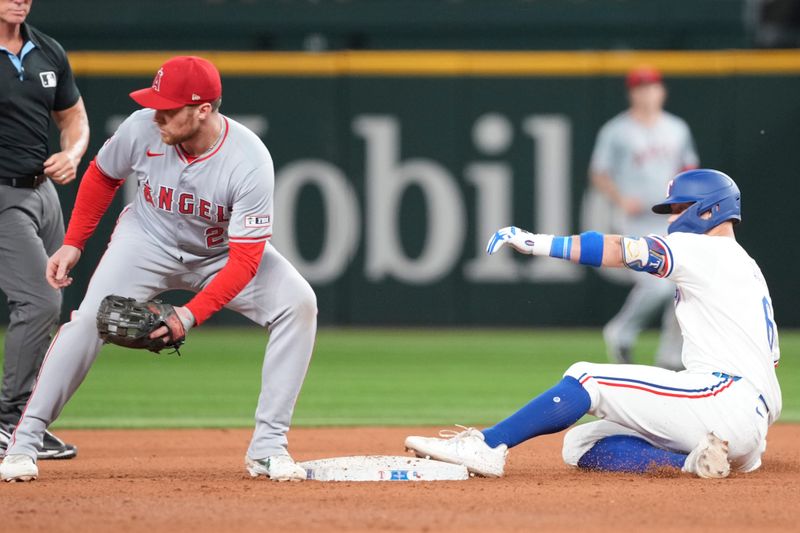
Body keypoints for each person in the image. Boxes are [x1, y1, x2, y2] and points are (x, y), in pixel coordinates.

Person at [0, 55, 318, 482]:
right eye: (156, 103)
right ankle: (23, 442)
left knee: (298, 304)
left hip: (219, 254)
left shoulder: (249, 161)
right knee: (87, 322)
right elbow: (100, 175)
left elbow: (245, 260)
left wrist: (189, 315)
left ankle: (268, 447)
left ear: (203, 110)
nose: (159, 113)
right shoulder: (143, 126)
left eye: (170, 106)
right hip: (147, 242)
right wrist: (74, 242)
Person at [405, 169, 780, 479]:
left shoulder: (704, 249)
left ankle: (486, 446)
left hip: (722, 400)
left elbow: (622, 250)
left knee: (587, 378)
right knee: (580, 444)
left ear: (707, 211)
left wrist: (538, 243)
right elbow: (771, 362)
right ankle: (693, 462)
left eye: (678, 207)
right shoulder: (748, 268)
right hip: (747, 431)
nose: (670, 218)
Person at [0, 0, 88, 459]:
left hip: (43, 193)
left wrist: (71, 155)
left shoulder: (46, 50)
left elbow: (72, 116)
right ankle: (8, 422)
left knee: (51, 306)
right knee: (39, 302)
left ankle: (27, 424)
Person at [590, 66, 699, 369]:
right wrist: (621, 198)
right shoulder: (616, 130)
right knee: (657, 285)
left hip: (671, 219)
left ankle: (670, 354)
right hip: (636, 222)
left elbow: (690, 168)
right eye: (641, 88)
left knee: (683, 283)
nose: (648, 93)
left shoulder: (677, 128)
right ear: (632, 93)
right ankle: (621, 331)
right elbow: (599, 173)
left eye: (652, 87)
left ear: (661, 91)